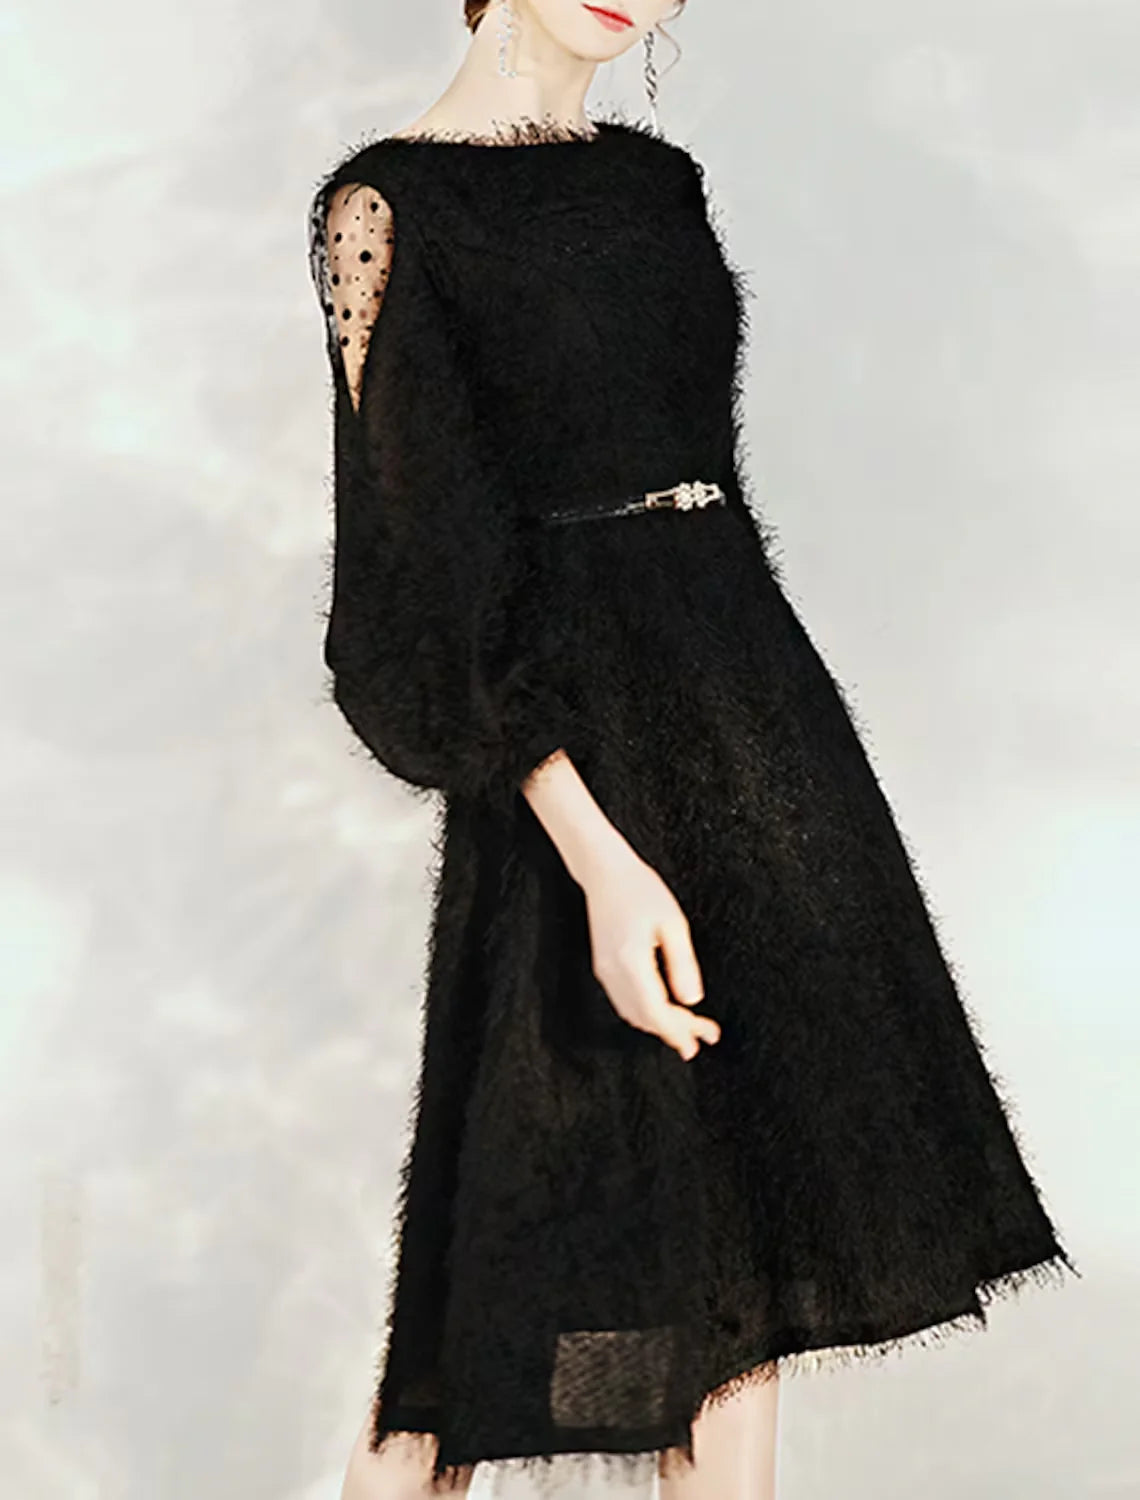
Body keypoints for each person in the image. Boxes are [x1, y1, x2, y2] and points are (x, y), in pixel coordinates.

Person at [306, 2, 1079, 1496]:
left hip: (751, 717)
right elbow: (424, 569)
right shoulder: (386, 210)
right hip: (569, 752)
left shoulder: (656, 182)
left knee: (747, 1258)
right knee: (489, 1303)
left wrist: (765, 755)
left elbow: (689, 475)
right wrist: (596, 857)